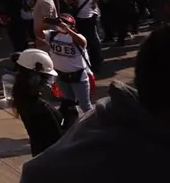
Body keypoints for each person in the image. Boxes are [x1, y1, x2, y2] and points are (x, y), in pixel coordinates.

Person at [20, 27, 170, 183]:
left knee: (84, 106)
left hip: (78, 78)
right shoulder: (117, 156)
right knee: (72, 104)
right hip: (66, 79)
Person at [10, 48, 68, 157]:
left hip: (38, 154)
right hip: (50, 158)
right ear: (34, 79)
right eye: (44, 78)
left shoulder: (21, 96)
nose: (47, 84)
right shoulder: (41, 107)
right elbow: (58, 138)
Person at [44, 13, 93, 115]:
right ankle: (73, 123)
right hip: (62, 76)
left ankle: (94, 125)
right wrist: (43, 21)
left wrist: (68, 30)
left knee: (85, 106)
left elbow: (82, 42)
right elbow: (37, 33)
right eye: (60, 22)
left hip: (78, 77)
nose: (61, 25)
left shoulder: (77, 36)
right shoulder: (52, 35)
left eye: (65, 23)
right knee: (68, 103)